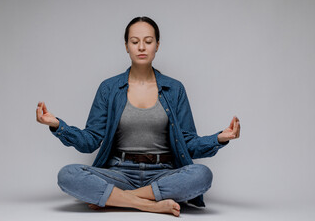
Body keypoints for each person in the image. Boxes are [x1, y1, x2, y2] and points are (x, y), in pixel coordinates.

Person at [36, 16, 240, 217]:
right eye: (135, 41)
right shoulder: (109, 88)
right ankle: (150, 205)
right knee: (68, 175)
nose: (141, 47)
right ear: (126, 46)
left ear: (157, 45)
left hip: (163, 173)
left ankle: (121, 199)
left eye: (148, 41)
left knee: (202, 175)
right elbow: (90, 141)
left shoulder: (174, 89)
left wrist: (219, 138)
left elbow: (188, 143)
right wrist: (57, 126)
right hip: (119, 173)